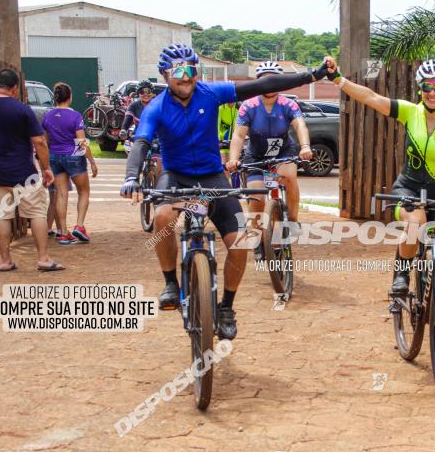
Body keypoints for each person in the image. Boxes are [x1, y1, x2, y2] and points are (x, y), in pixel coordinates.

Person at [120, 43, 331, 340]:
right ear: (165, 75)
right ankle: (170, 282)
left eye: (191, 70)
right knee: (162, 218)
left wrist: (312, 76)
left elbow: (263, 84)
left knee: (241, 241)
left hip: (213, 176)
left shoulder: (210, 93)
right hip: (175, 177)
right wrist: (131, 177)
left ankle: (226, 307)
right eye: (178, 71)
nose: (186, 77)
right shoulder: (156, 107)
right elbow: (141, 143)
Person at [323, 58, 435, 292]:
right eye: (427, 87)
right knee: (415, 224)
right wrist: (339, 79)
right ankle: (402, 274)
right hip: (408, 189)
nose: (433, 93)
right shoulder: (410, 112)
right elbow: (370, 97)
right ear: (420, 88)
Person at [0, 68, 64, 272]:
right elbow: (39, 141)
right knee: (36, 212)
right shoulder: (22, 110)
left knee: (1, 215)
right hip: (24, 173)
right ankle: (43, 258)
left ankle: (6, 261)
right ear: (15, 88)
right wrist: (46, 168)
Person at [226, 61, 313, 230]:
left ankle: (293, 219)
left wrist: (305, 147)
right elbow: (238, 135)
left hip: (284, 152)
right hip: (256, 155)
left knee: (289, 177)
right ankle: (258, 237)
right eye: (265, 81)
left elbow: (300, 125)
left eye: (274, 80)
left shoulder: (289, 105)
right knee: (257, 195)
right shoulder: (248, 106)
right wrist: (233, 160)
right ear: (257, 83)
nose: (270, 85)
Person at [42, 82, 98, 245]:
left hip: (55, 156)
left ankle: (64, 232)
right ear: (70, 97)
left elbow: (45, 141)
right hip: (73, 155)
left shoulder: (48, 116)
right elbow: (81, 142)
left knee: (61, 194)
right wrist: (92, 161)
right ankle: (79, 226)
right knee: (84, 192)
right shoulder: (75, 116)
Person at [120, 80, 161, 182]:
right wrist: (123, 130)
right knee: (136, 159)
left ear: (152, 93)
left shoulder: (159, 104)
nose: (145, 94)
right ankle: (134, 181)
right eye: (142, 92)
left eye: (148, 91)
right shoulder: (134, 105)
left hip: (157, 136)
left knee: (160, 165)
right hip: (140, 136)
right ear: (138, 94)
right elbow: (128, 118)